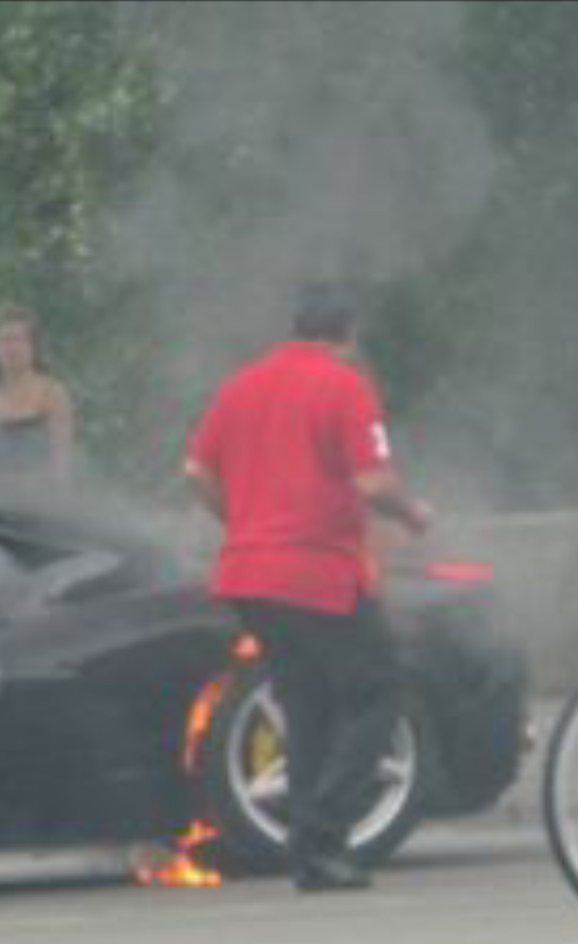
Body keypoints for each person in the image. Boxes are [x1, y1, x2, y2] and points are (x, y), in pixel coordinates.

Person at [183, 282, 434, 891]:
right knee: (378, 690)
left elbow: (194, 470)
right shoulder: (344, 385)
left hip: (247, 574)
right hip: (316, 573)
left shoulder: (242, 385)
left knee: (306, 704)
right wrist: (414, 515)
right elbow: (372, 483)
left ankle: (310, 855)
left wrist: (241, 520)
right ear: (348, 335)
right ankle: (322, 827)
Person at [0, 307, 76, 501]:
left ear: (34, 347)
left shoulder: (52, 393)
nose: (12, 348)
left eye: (19, 339)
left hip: (34, 505)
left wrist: (55, 500)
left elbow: (61, 462)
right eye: (4, 340)